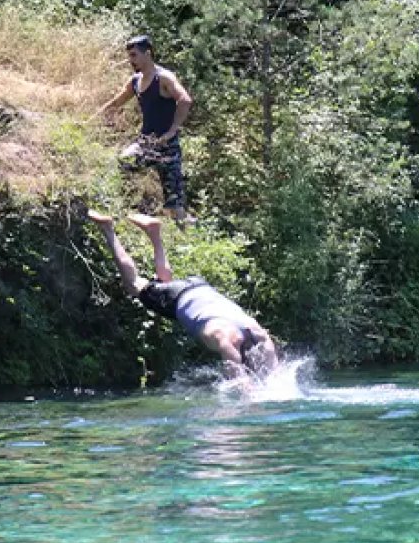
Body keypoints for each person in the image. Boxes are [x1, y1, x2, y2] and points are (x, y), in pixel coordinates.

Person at [87, 209, 278, 383]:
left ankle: (154, 232)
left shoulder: (258, 333)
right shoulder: (227, 341)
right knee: (133, 284)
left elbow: (274, 376)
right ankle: (108, 229)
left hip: (199, 287)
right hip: (181, 297)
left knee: (165, 283)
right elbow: (240, 384)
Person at [99, 36, 195, 223]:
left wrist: (172, 131)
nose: (131, 60)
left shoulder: (164, 78)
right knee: (123, 164)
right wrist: (90, 122)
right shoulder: (135, 81)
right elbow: (116, 103)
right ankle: (125, 215)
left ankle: (187, 238)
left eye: (134, 55)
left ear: (148, 53)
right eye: (129, 56)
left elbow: (185, 100)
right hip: (146, 143)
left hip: (167, 148)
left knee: (174, 205)